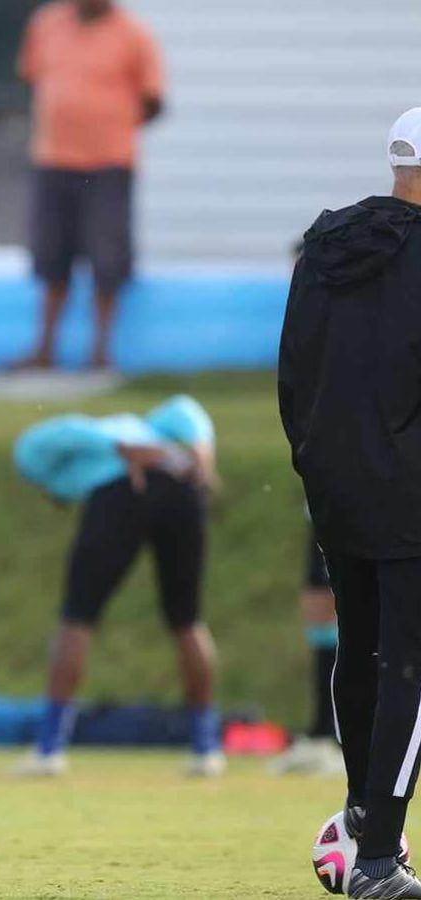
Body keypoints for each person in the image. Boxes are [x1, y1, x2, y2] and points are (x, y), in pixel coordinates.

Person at [278, 108, 421, 897]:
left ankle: (367, 820)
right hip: (407, 491)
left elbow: (291, 370)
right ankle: (376, 857)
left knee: (359, 654)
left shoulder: (323, 250)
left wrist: (311, 461)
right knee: (407, 666)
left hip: (333, 487)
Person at [12, 395, 222, 777]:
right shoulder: (164, 432)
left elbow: (37, 442)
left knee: (77, 617)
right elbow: (187, 409)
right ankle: (205, 749)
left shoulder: (100, 439)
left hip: (117, 494)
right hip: (182, 493)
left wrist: (119, 448)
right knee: (188, 620)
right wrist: (201, 453)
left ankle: (48, 750)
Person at [14, 0, 164, 369]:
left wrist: (106, 120)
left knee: (107, 258)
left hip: (108, 165)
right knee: (51, 256)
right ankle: (44, 350)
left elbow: (154, 99)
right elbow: (32, 77)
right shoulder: (46, 24)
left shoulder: (133, 34)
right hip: (53, 160)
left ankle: (101, 352)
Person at [268, 512, 343, 776]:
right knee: (319, 607)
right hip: (320, 503)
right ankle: (321, 732)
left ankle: (339, 739)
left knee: (348, 605)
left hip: (353, 499)